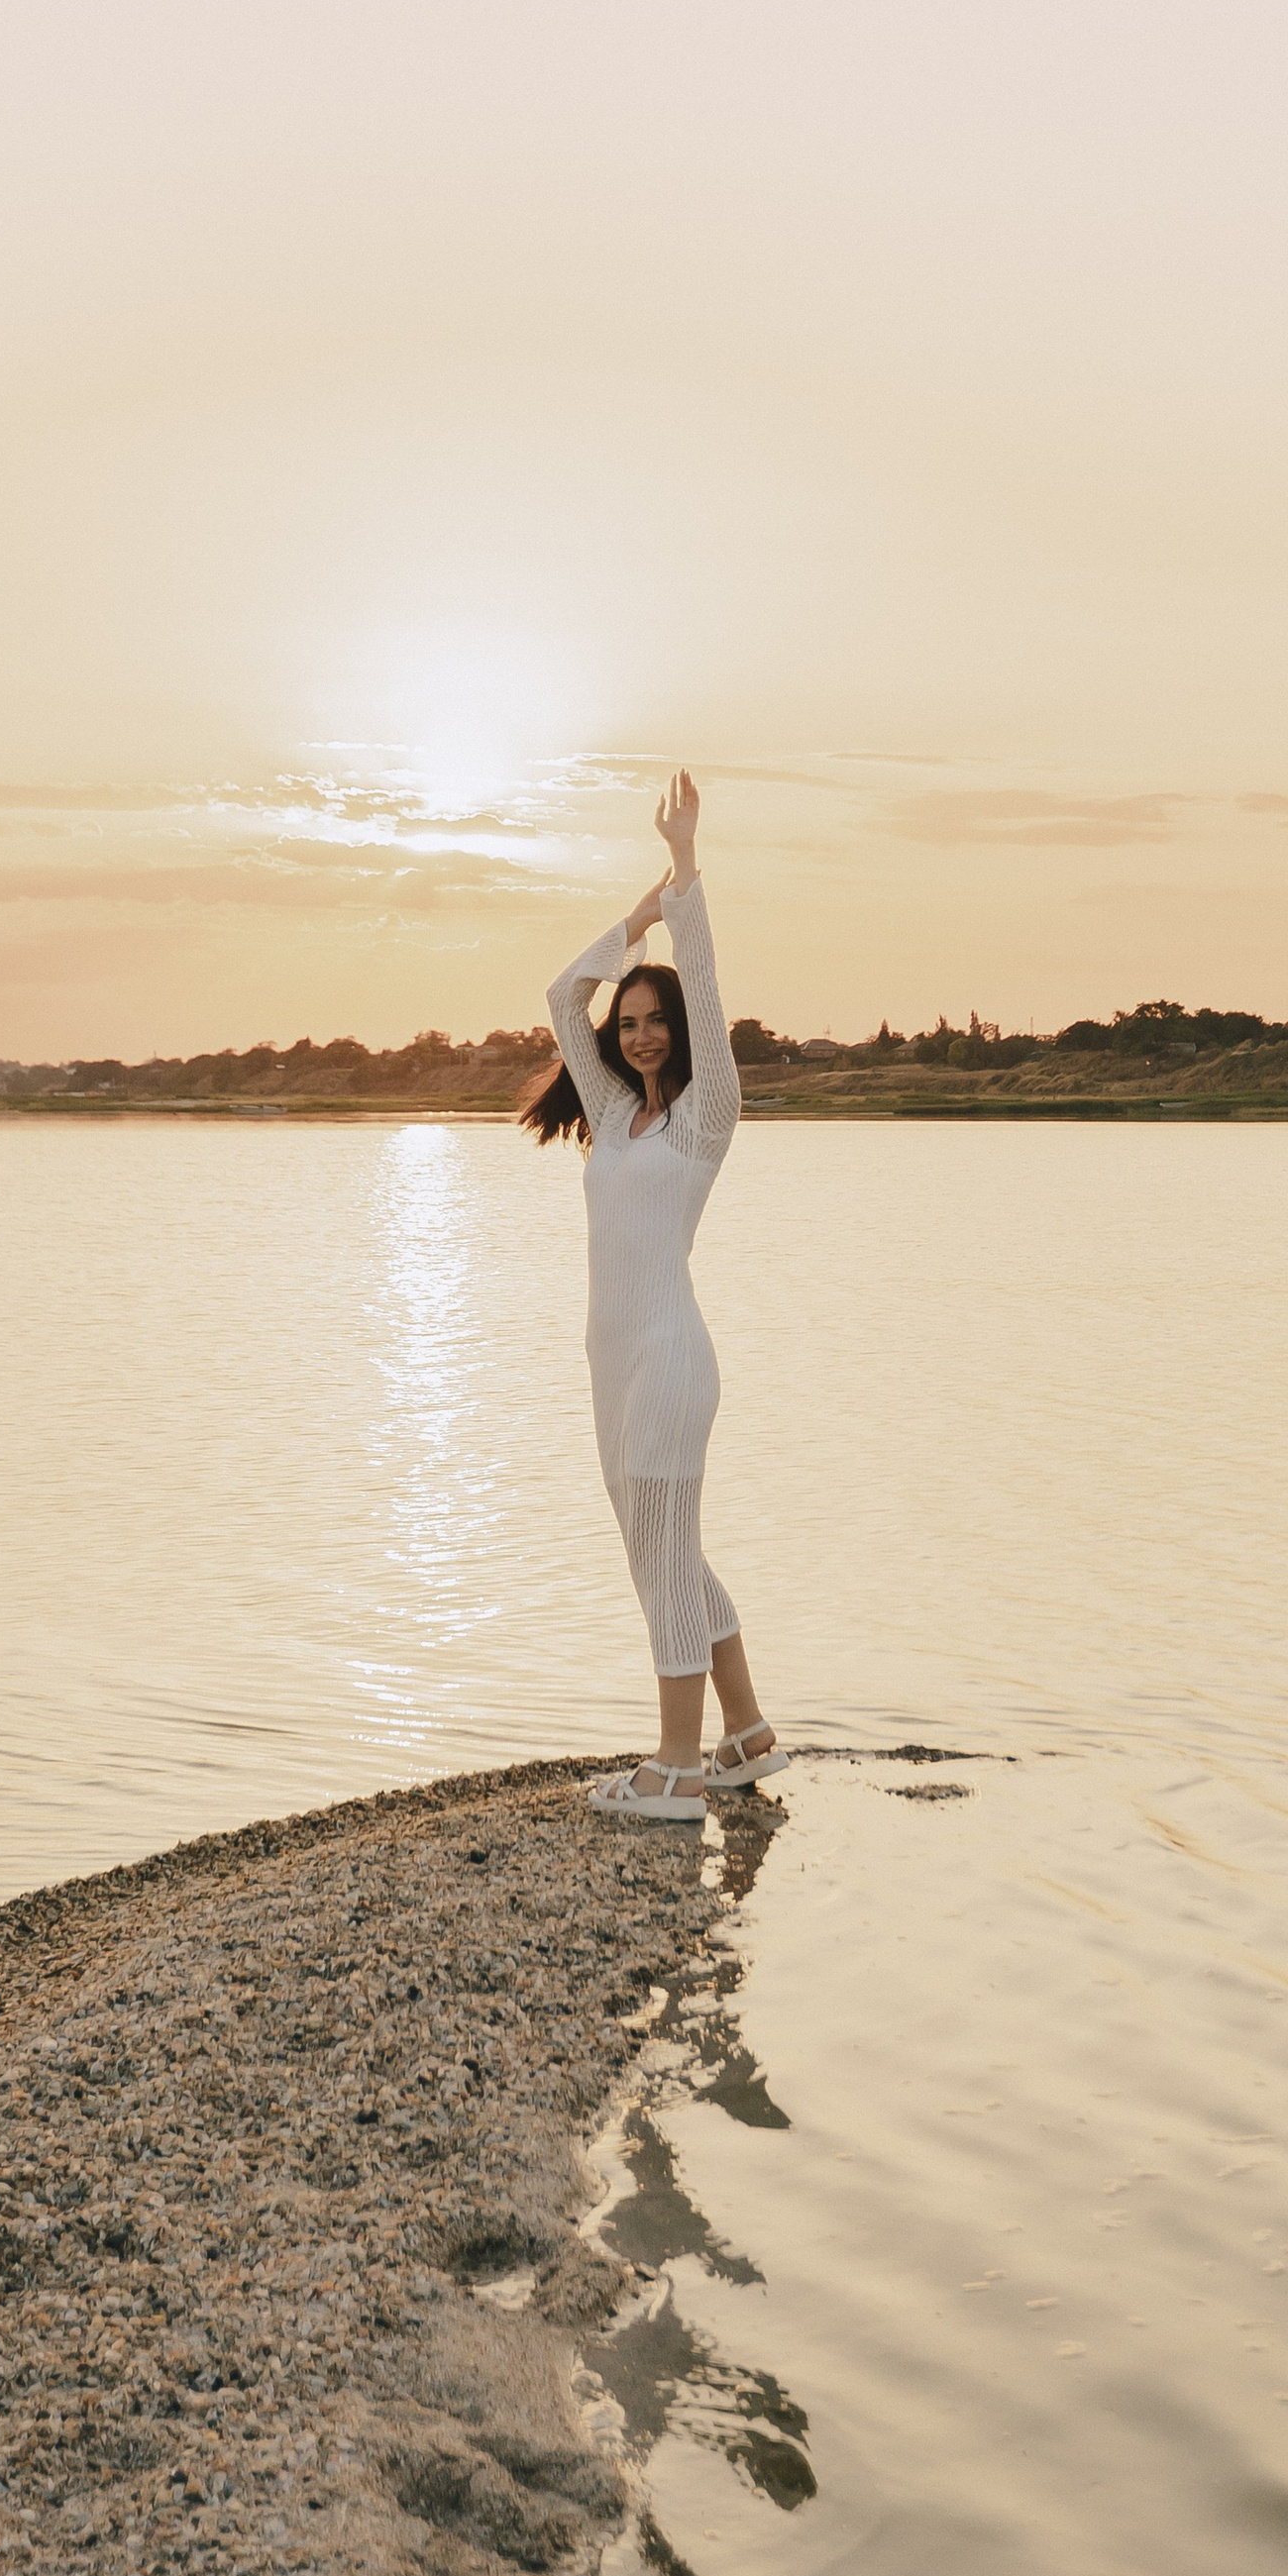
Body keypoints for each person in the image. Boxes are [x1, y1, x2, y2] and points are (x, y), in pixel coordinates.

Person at [522, 770, 787, 1821]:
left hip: (672, 1359)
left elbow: (709, 989)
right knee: (663, 1547)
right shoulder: (612, 1112)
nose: (637, 1034)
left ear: (678, 1030)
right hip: (612, 1364)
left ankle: (676, 1769)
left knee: (663, 1556)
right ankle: (747, 1733)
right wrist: (629, 921)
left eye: (652, 1020)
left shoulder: (703, 1117)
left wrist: (683, 876)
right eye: (626, 1020)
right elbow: (557, 999)